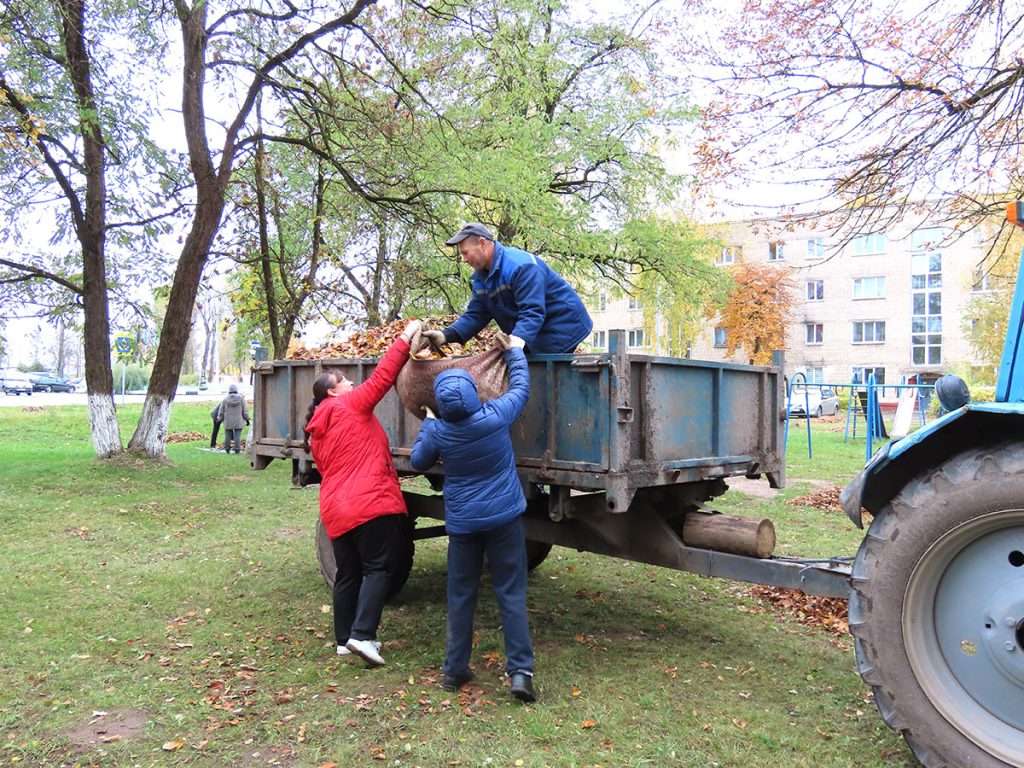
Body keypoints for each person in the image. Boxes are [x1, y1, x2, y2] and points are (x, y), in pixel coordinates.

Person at [409, 337, 537, 703]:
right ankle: (520, 674)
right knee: (510, 593)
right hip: (505, 520)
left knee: (461, 595)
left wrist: (428, 424)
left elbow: (419, 462)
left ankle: (454, 671)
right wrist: (514, 350)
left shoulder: (438, 431)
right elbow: (521, 387)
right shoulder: (496, 415)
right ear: (472, 393)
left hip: (464, 525)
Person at [306, 320, 422, 667]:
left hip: (336, 510)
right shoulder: (350, 405)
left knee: (349, 572)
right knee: (379, 568)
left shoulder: (317, 428)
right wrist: (404, 339)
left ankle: (344, 640)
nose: (352, 382)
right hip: (370, 504)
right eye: (345, 380)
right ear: (333, 392)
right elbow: (383, 377)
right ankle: (363, 636)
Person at [421, 223, 592, 354]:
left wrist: (518, 340)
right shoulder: (482, 279)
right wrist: (446, 335)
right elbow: (476, 315)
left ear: (482, 244)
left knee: (539, 371)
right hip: (538, 329)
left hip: (563, 324)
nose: (464, 259)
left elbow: (532, 311)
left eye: (466, 253)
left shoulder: (521, 266)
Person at [216, 384, 250, 454]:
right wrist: (247, 419)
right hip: (238, 420)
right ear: (236, 391)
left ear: (229, 391)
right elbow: (245, 411)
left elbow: (221, 410)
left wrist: (220, 419)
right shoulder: (241, 399)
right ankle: (237, 449)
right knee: (237, 435)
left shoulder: (225, 399)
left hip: (228, 420)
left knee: (227, 435)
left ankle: (227, 449)